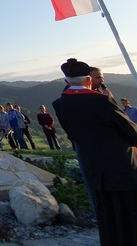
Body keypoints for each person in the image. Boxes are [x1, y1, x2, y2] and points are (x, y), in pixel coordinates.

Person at [53, 58, 137, 245]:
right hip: (120, 165)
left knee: (106, 214)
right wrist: (112, 101)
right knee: (129, 212)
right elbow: (129, 131)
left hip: (93, 166)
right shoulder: (102, 100)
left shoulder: (59, 104)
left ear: (67, 81)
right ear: (89, 80)